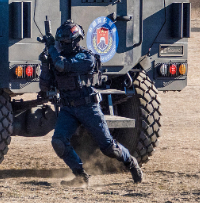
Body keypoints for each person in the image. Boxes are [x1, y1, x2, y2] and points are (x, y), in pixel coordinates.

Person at [45, 19, 143, 187]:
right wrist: (45, 60)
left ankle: (131, 163)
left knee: (108, 147)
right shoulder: (56, 57)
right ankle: (81, 175)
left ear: (76, 41)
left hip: (88, 107)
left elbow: (63, 66)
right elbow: (45, 84)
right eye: (61, 42)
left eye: (66, 41)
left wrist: (52, 49)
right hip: (68, 107)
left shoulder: (85, 57)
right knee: (58, 142)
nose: (63, 44)